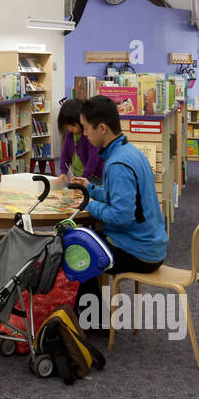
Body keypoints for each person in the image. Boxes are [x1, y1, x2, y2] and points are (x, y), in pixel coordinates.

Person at [68, 95, 168, 276]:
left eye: (86, 128)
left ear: (102, 128)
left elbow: (121, 216)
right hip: (151, 245)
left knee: (75, 251)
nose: (84, 134)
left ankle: (89, 305)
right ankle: (91, 303)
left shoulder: (117, 164)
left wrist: (89, 204)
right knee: (84, 242)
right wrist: (90, 189)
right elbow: (123, 198)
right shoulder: (129, 152)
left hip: (138, 252)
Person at [56, 98, 102, 182]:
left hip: (94, 177)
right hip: (78, 175)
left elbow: (94, 159)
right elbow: (65, 155)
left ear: (82, 120)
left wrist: (84, 177)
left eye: (73, 125)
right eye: (67, 125)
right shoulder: (69, 136)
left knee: (93, 194)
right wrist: (63, 171)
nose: (70, 128)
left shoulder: (90, 136)